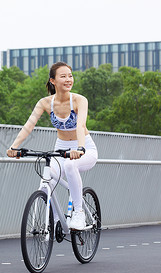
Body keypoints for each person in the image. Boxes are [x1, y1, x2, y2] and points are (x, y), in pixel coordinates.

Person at [6, 61, 98, 230]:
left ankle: (79, 213)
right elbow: (29, 126)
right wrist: (14, 147)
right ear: (53, 81)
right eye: (63, 76)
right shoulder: (45, 103)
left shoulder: (79, 100)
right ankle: (56, 219)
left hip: (84, 149)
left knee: (71, 165)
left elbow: (80, 125)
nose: (68, 79)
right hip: (60, 149)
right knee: (47, 178)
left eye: (70, 76)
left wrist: (80, 148)